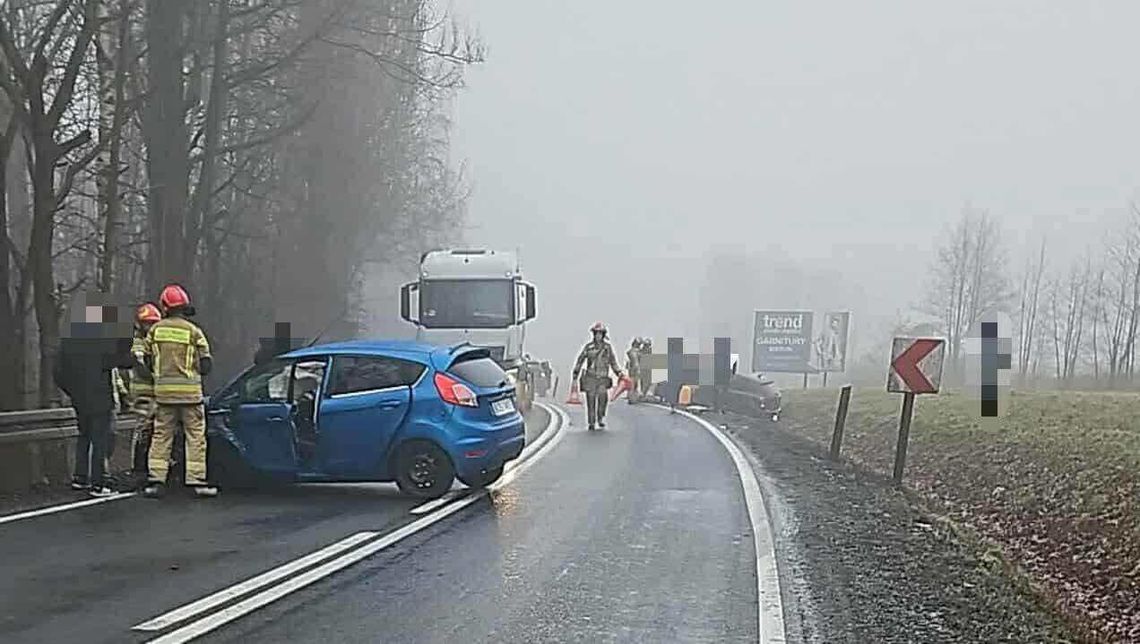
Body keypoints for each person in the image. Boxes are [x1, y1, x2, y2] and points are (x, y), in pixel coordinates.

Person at [53, 292, 135, 497]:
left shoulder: (70, 339)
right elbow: (124, 357)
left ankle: (80, 478)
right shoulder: (103, 340)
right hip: (100, 395)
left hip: (79, 397)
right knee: (100, 439)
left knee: (84, 436)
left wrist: (72, 391)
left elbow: (58, 372)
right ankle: (98, 484)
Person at [142, 284, 217, 499]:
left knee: (161, 437)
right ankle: (196, 480)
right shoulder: (194, 331)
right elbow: (206, 364)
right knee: (195, 437)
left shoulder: (156, 331)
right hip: (191, 395)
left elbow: (146, 359)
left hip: (164, 395)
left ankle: (156, 481)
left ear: (164, 306)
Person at [125, 302, 162, 489]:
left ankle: (151, 468)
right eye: (148, 323)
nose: (151, 327)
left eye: (153, 323)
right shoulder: (138, 342)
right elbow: (140, 364)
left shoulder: (154, 342)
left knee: (155, 432)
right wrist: (156, 376)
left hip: (155, 393)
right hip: (143, 394)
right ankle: (139, 468)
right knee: (143, 430)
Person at [572, 322, 624, 430]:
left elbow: (613, 362)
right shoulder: (589, 347)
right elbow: (580, 360)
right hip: (591, 377)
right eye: (596, 333)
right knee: (590, 400)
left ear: (603, 335)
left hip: (603, 378)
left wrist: (619, 373)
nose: (598, 336)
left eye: (600, 333)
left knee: (602, 397)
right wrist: (575, 373)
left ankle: (600, 417)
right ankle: (591, 422)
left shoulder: (607, 348)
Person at [625, 338, 643, 403]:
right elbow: (635, 362)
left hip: (633, 369)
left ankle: (633, 397)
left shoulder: (634, 351)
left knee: (634, 384)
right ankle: (632, 398)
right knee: (633, 384)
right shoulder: (634, 352)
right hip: (635, 369)